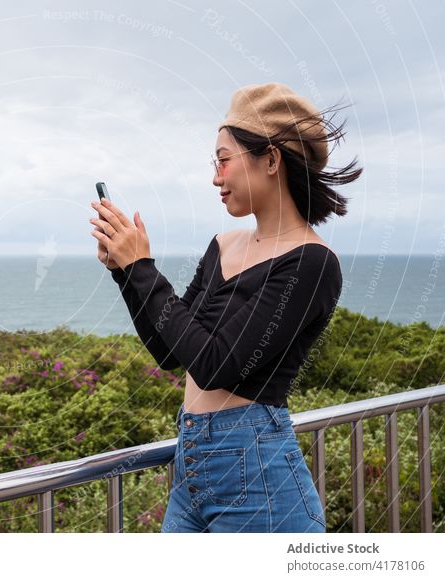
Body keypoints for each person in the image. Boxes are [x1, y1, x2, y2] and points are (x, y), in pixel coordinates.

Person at [89, 82, 362, 533]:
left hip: (258, 475)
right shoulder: (223, 245)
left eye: (223, 159)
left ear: (271, 160)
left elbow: (219, 365)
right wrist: (125, 271)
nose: (216, 176)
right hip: (191, 467)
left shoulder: (311, 263)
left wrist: (142, 267)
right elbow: (172, 352)